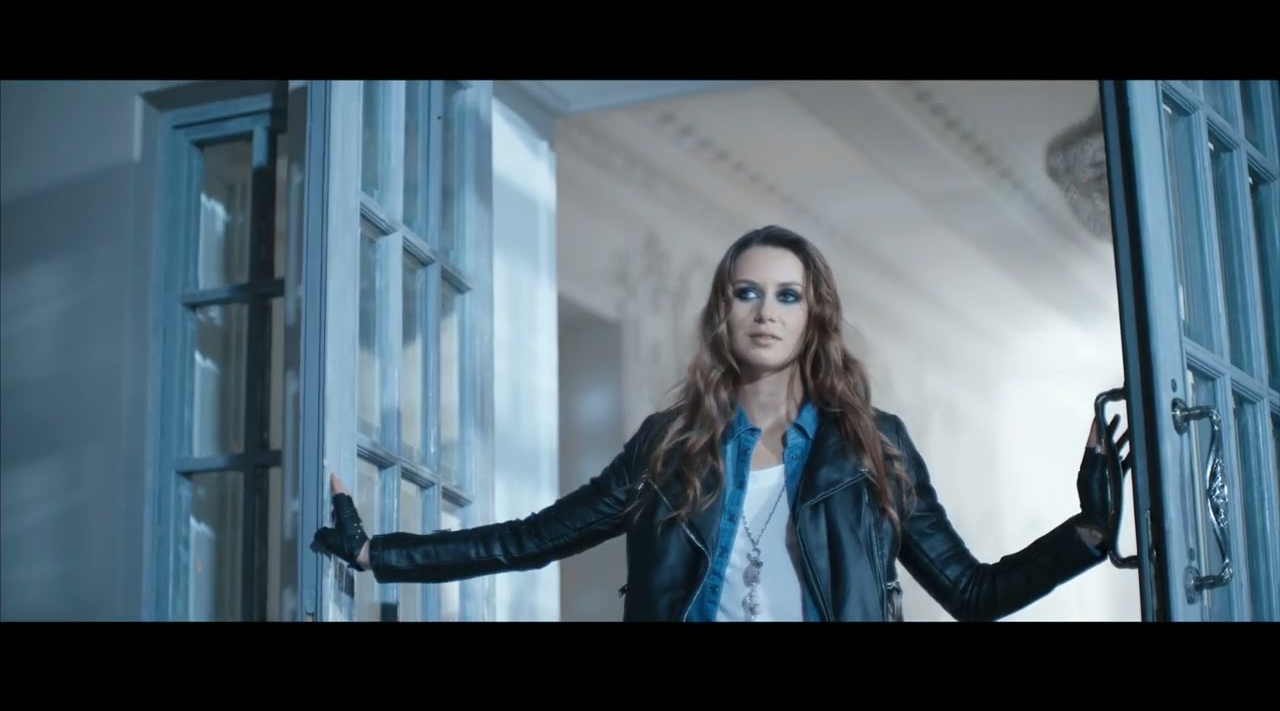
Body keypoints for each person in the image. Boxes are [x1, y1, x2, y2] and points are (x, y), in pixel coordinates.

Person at [312, 224, 1132, 622]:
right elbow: (533, 539)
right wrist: (378, 554)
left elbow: (972, 592)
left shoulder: (874, 447)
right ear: (723, 312)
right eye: (748, 293)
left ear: (814, 316)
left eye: (787, 295)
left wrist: (1088, 531)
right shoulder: (667, 448)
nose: (766, 311)